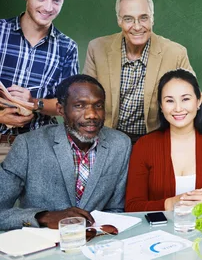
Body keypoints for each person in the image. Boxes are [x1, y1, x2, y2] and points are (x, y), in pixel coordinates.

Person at [0, 74, 131, 230]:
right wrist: (44, 217)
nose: (92, 114)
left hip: (96, 246)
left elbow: (116, 211)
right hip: (42, 246)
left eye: (98, 105)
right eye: (79, 105)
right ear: (61, 109)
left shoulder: (120, 144)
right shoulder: (28, 145)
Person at [84, 0, 194, 143]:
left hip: (155, 140)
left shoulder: (176, 54)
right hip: (107, 139)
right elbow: (86, 102)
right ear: (119, 20)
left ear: (152, 19)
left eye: (143, 18)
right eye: (128, 19)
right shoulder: (97, 48)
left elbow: (195, 102)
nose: (137, 26)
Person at [0, 0, 79, 163]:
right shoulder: (0, 32)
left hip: (40, 149)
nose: (48, 8)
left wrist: (33, 102)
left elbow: (66, 106)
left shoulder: (67, 47)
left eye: (56, 1)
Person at [126, 69, 202, 211]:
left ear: (199, 101)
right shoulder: (144, 146)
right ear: (160, 105)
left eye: (185, 99)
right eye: (170, 101)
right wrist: (172, 203)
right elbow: (132, 207)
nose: (178, 108)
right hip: (157, 232)